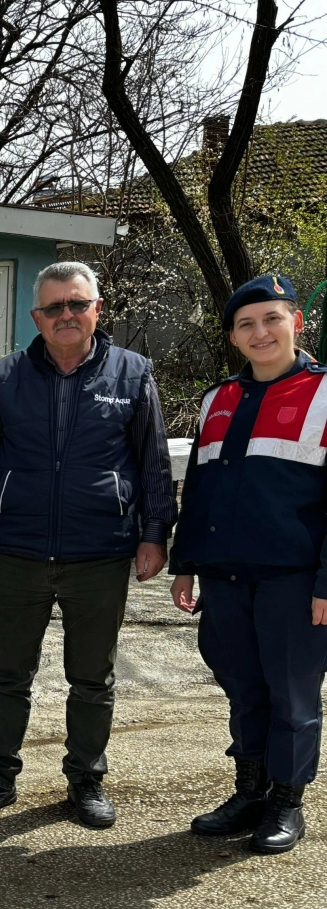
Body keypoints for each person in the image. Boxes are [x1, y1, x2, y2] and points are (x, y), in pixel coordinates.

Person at [0, 262, 176, 829]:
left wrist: (155, 534)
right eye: (54, 307)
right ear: (37, 317)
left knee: (93, 678)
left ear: (97, 310)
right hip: (17, 550)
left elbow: (152, 461)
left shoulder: (132, 373)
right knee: (7, 675)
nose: (66, 315)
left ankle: (86, 780)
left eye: (77, 304)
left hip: (99, 552)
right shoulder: (7, 375)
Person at [171, 275, 324, 854]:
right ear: (233, 337)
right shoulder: (218, 399)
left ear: (296, 323)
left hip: (293, 578)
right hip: (225, 576)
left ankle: (286, 800)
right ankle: (249, 790)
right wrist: (186, 564)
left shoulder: (324, 393)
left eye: (271, 319)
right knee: (241, 686)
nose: (261, 333)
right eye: (246, 324)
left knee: (292, 695)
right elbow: (200, 490)